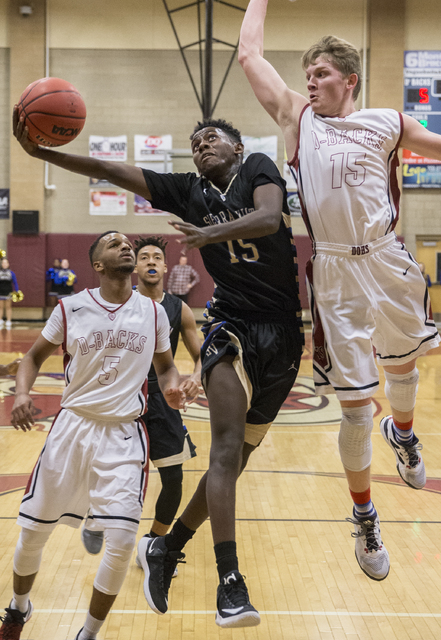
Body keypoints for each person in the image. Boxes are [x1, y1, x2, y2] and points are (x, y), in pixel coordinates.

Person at [12, 111, 304, 628]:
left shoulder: (258, 167)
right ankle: (230, 582)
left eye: (211, 138)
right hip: (232, 323)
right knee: (225, 449)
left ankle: (167, 548)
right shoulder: (186, 191)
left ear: (237, 148)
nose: (201, 146)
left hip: (283, 333)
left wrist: (207, 237)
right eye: (194, 143)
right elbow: (108, 168)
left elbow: (265, 218)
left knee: (235, 464)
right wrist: (43, 154)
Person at [238, 0, 441, 582]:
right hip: (334, 272)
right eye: (308, 74)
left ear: (349, 79)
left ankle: (403, 435)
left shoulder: (388, 122)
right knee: (354, 408)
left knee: (405, 372)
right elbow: (250, 52)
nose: (311, 81)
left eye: (322, 73)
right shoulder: (298, 119)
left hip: (389, 259)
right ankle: (365, 514)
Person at [0, 230, 188, 640]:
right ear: (98, 264)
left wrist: (174, 387)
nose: (125, 246)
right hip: (72, 427)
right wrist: (21, 394)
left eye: (128, 244)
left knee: (121, 540)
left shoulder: (154, 312)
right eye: (113, 243)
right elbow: (31, 358)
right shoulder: (71, 308)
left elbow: (166, 367)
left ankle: (89, 633)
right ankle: (17, 609)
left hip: (122, 434)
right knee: (33, 533)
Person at [81, 234, 201, 563]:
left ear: (165, 266)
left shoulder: (179, 308)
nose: (149, 261)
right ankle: (95, 513)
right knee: (115, 473)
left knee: (174, 479)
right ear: (134, 266)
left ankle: (154, 543)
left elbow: (204, 353)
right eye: (143, 256)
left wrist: (197, 375)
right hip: (122, 395)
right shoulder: (117, 303)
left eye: (155, 257)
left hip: (163, 397)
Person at [0, 258, 19, 330]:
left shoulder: (11, 273)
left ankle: (8, 321)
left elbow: (15, 282)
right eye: (3, 263)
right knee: (0, 307)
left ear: (8, 264)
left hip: (8, 292)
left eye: (6, 263)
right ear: (1, 264)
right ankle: (0, 320)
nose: (4, 264)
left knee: (8, 307)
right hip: (0, 292)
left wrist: (17, 291)